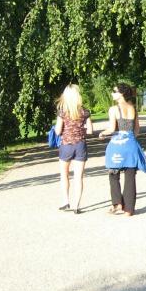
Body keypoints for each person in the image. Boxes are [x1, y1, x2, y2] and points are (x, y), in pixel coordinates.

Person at [99, 82, 146, 216]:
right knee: (130, 176)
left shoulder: (114, 109)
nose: (112, 93)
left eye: (114, 91)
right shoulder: (133, 108)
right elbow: (137, 130)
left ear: (121, 94)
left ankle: (117, 203)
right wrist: (130, 138)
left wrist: (102, 133)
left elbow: (111, 129)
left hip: (117, 145)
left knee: (113, 173)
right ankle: (129, 209)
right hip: (131, 144)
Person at [54, 84, 93, 214]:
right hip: (80, 145)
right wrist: (80, 131)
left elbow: (58, 131)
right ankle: (76, 205)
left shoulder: (62, 112)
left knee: (64, 175)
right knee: (78, 177)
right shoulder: (85, 112)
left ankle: (66, 201)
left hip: (66, 145)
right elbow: (90, 130)